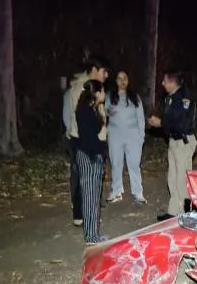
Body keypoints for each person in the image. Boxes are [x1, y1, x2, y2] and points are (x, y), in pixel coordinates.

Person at [62, 54, 110, 226]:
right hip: (83, 140)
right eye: (104, 71)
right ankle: (82, 215)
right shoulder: (80, 89)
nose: (106, 76)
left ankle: (88, 212)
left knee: (89, 178)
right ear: (95, 70)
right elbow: (79, 119)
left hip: (91, 139)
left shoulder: (92, 87)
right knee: (82, 178)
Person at [147, 70, 197, 218]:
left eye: (164, 81)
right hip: (174, 141)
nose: (162, 84)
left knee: (182, 180)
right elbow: (170, 119)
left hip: (183, 142)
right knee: (173, 178)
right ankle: (174, 212)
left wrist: (161, 123)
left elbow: (182, 123)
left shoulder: (185, 98)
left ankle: (186, 214)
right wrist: (161, 123)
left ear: (171, 82)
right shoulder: (171, 97)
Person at [73, 79, 109, 245]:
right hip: (89, 156)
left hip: (93, 154)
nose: (104, 94)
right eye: (102, 91)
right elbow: (89, 138)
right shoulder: (85, 111)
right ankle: (90, 235)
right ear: (96, 93)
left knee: (94, 196)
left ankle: (94, 233)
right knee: (89, 197)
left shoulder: (90, 109)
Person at [105, 70, 146, 205]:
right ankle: (116, 191)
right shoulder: (110, 96)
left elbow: (140, 119)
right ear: (115, 81)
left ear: (128, 81)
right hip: (115, 135)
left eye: (125, 78)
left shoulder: (135, 98)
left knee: (134, 165)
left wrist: (141, 137)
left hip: (133, 135)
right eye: (119, 78)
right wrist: (109, 110)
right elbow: (104, 112)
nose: (122, 81)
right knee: (116, 163)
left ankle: (138, 193)